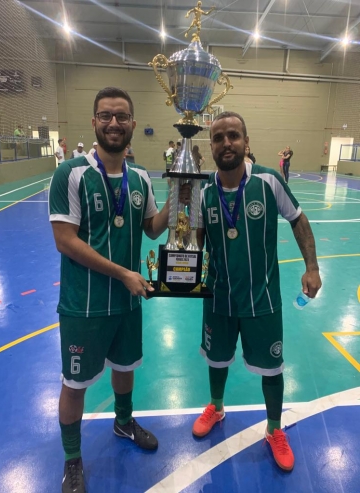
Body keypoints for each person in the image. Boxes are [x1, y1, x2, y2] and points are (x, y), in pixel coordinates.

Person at [49, 86, 176, 493]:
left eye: (121, 116)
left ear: (133, 124)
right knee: (75, 384)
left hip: (127, 303)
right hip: (82, 305)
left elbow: (152, 228)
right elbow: (65, 240)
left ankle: (123, 423)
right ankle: (72, 461)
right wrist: (123, 272)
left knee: (125, 369)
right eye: (106, 116)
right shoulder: (70, 174)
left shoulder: (140, 177)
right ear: (94, 122)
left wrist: (180, 195)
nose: (114, 123)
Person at [192, 112, 322, 473]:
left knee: (272, 368)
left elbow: (297, 218)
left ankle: (274, 429)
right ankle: (216, 407)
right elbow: (195, 241)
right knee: (216, 359)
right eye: (218, 138)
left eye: (233, 136)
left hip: (262, 298)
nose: (226, 143)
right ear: (212, 146)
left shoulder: (268, 180)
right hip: (218, 297)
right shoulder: (203, 190)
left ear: (245, 142)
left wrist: (312, 267)